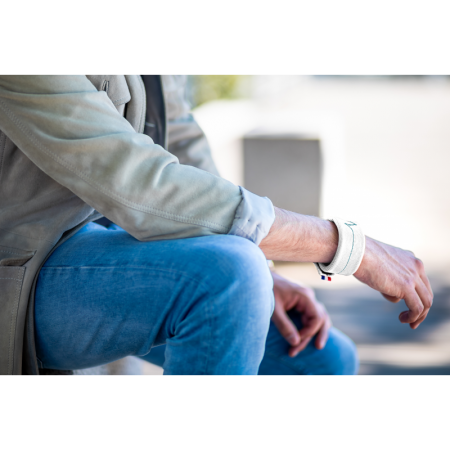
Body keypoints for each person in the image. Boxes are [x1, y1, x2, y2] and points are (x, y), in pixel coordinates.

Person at [0, 74, 433, 376]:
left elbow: (180, 140)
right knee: (227, 274)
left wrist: (261, 270)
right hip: (25, 269)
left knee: (321, 359)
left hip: (109, 247)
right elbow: (136, 182)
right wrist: (346, 246)